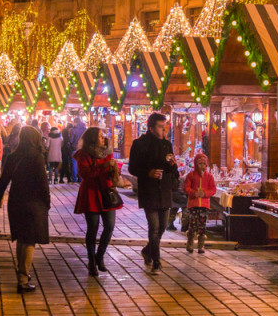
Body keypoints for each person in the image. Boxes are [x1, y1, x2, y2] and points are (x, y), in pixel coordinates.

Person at [0, 126, 50, 293]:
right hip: (33, 202)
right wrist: (47, 202)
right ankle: (23, 279)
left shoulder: (13, 156)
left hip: (16, 201)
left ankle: (22, 273)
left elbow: (3, 179)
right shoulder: (36, 157)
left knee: (22, 239)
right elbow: (42, 183)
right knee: (30, 240)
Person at [128, 112, 178, 274]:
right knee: (154, 227)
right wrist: (148, 172)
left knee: (163, 226)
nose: (164, 130)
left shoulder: (166, 144)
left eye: (165, 126)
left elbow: (171, 169)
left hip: (164, 190)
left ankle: (147, 250)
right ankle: (156, 261)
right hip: (149, 190)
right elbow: (132, 168)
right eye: (160, 126)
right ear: (151, 128)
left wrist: (172, 165)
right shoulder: (139, 144)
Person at [74, 127, 120, 276]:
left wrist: (114, 169)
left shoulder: (108, 152)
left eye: (103, 135)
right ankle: (92, 260)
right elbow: (84, 174)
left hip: (106, 191)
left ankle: (100, 256)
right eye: (100, 136)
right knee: (92, 227)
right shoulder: (83, 154)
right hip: (91, 192)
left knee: (110, 225)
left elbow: (111, 171)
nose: (103, 138)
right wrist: (102, 167)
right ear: (93, 138)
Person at [183, 153, 217, 254]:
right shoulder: (191, 175)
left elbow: (213, 189)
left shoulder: (209, 176)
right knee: (192, 224)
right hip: (193, 204)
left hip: (204, 205)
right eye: (200, 164)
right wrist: (194, 193)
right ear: (196, 164)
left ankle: (201, 245)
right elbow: (186, 187)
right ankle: (190, 242)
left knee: (202, 224)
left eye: (204, 164)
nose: (202, 166)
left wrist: (205, 194)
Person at [67, 117, 86, 182]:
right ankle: (80, 178)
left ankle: (74, 179)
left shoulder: (73, 130)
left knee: (74, 163)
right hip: (82, 148)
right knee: (81, 163)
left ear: (75, 122)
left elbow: (71, 140)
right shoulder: (85, 129)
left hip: (74, 148)